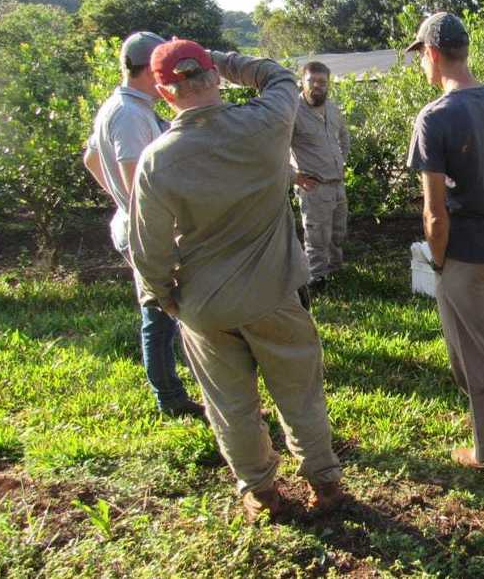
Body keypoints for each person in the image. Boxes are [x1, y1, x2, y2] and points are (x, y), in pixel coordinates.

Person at [128, 39, 344, 520]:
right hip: (275, 295)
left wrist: (166, 299)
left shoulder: (157, 160)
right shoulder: (265, 122)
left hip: (205, 306)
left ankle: (261, 492)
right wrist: (220, 58)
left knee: (230, 405)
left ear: (164, 93)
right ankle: (324, 482)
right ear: (216, 79)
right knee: (300, 393)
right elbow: (279, 76)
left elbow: (149, 251)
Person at [405, 12, 484, 468]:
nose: (421, 65)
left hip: (466, 255)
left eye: (421, 57)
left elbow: (434, 213)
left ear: (434, 54)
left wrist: (438, 263)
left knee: (474, 354)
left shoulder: (434, 117)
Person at [82, 31, 204, 419]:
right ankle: (170, 398)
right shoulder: (131, 115)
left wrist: (119, 199)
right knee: (160, 316)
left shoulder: (121, 106)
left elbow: (90, 159)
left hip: (137, 224)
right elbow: (138, 179)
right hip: (149, 233)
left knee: (166, 314)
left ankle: (174, 390)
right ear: (149, 69)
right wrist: (132, 204)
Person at [290, 61, 350, 290]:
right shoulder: (293, 111)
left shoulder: (332, 108)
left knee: (337, 232)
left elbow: (344, 137)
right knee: (317, 236)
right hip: (313, 186)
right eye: (312, 81)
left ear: (328, 84)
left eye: (322, 82)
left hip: (337, 184)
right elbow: (278, 146)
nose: (317, 86)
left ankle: (335, 270)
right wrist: (295, 176)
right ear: (302, 82)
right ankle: (316, 279)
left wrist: (339, 160)